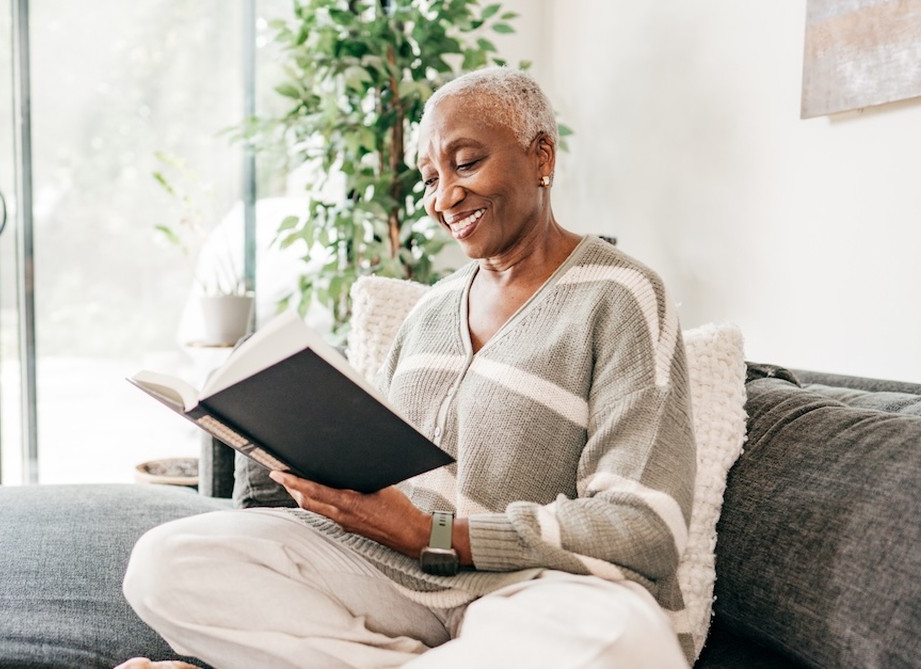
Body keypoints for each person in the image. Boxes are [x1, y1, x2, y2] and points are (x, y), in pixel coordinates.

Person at [119, 67, 697, 668]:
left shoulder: (620, 294)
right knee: (167, 561)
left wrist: (437, 535)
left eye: (467, 164)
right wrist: (320, 478)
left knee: (619, 638)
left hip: (527, 590)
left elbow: (644, 526)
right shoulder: (429, 312)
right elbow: (391, 478)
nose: (444, 198)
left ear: (541, 155)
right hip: (387, 575)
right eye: (430, 178)